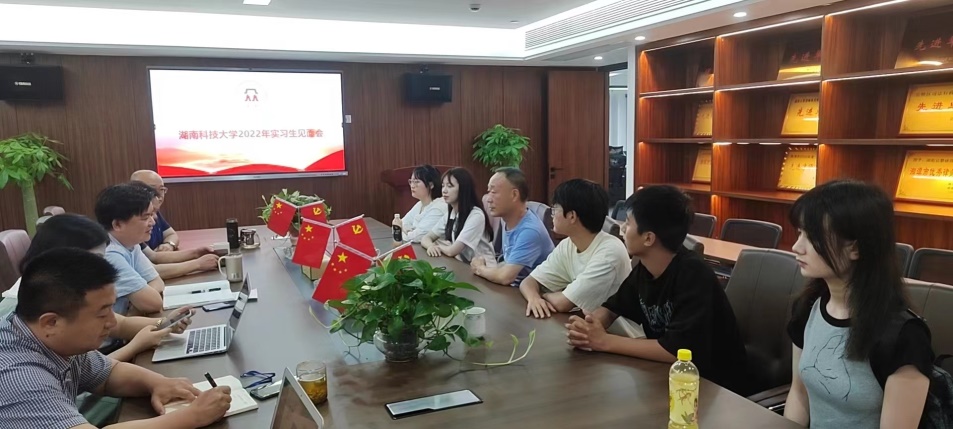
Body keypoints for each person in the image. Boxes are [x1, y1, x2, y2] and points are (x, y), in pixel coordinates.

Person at [0, 248, 231, 428]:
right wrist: (192, 416)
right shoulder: (18, 376)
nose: (112, 323)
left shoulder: (49, 337)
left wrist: (157, 383)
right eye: (102, 314)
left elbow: (107, 375)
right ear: (51, 322)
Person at [566, 185, 747, 393]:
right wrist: (591, 325)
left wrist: (604, 341)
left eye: (628, 223)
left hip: (714, 389)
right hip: (669, 378)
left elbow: (675, 350)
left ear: (648, 238)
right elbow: (613, 307)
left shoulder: (694, 275)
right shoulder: (646, 268)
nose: (622, 229)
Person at [783, 180, 934, 428]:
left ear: (855, 247)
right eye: (800, 233)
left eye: (813, 237)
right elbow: (798, 395)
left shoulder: (903, 337)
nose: (797, 247)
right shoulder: (808, 307)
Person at [14, 214, 192, 362]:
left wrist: (165, 323)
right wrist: (136, 345)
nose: (102, 267)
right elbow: (88, 375)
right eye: (95, 260)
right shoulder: (40, 302)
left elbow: (120, 324)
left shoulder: (70, 287)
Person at [519, 179, 630, 318]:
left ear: (572, 216)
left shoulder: (609, 253)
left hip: (617, 330)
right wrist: (534, 299)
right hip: (586, 323)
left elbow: (563, 303)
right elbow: (529, 282)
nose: (552, 215)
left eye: (555, 209)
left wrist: (543, 295)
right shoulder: (569, 244)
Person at [130, 171, 219, 280]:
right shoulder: (116, 247)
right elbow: (152, 271)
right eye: (148, 215)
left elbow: (154, 256)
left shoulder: (131, 239)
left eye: (162, 189)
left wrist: (196, 253)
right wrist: (197, 264)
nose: (154, 220)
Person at [472, 168, 554, 286]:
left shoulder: (530, 231)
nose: (488, 199)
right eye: (489, 191)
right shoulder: (506, 219)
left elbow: (505, 277)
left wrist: (480, 268)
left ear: (514, 195)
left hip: (534, 293)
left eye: (493, 192)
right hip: (514, 288)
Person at [95, 183, 165, 315]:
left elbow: (156, 281)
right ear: (117, 224)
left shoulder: (130, 243)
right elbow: (153, 303)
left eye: (152, 215)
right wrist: (142, 301)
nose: (153, 222)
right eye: (146, 217)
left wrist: (137, 305)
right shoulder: (109, 254)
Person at [422, 167, 495, 263]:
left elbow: (452, 251)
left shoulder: (476, 215)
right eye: (443, 186)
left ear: (463, 188)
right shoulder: (451, 214)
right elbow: (426, 238)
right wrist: (431, 246)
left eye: (450, 186)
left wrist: (437, 247)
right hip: (463, 265)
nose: (444, 190)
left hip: (485, 268)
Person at [392, 164, 448, 244]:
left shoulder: (439, 207)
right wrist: (407, 231)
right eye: (411, 181)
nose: (412, 186)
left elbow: (417, 237)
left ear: (431, 185)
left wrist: (405, 231)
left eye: (416, 182)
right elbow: (397, 226)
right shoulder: (420, 204)